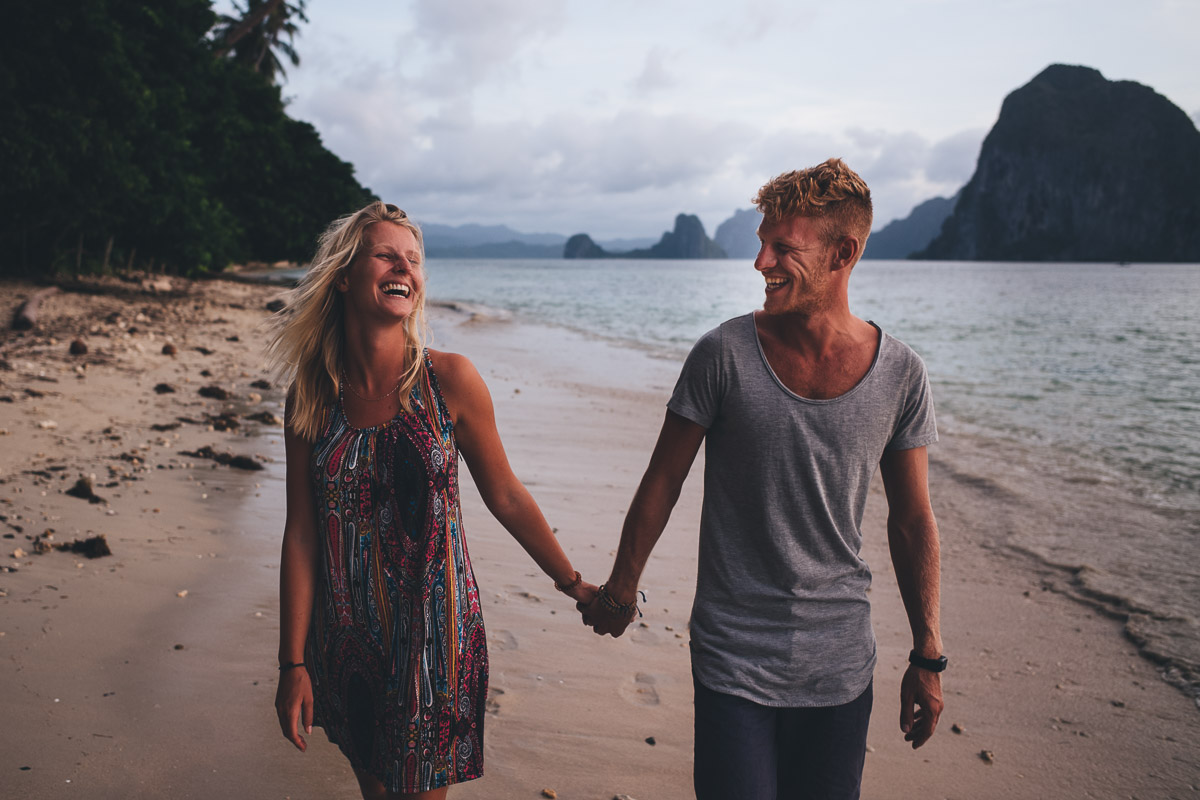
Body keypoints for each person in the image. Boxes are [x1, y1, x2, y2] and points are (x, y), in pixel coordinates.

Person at [580, 159, 945, 800]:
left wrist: (928, 653)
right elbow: (663, 480)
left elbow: (913, 519)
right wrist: (620, 590)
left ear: (843, 254)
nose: (760, 263)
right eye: (761, 243)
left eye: (782, 248)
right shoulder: (722, 355)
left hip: (841, 665)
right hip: (732, 657)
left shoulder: (901, 375)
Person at [269, 201, 596, 799]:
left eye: (414, 260)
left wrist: (572, 583)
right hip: (346, 640)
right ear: (344, 274)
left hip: (435, 635)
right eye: (387, 255)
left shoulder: (448, 382)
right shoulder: (311, 400)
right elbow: (301, 533)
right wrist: (293, 664)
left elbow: (505, 494)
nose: (405, 268)